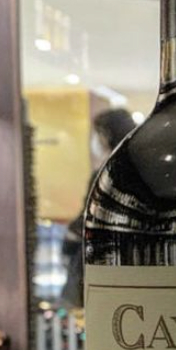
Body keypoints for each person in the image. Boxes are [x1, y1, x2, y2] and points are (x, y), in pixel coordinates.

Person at [60, 107, 137, 307]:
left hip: (99, 263)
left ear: (105, 135)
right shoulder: (141, 169)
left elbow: (87, 219)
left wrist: (69, 237)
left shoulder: (104, 175)